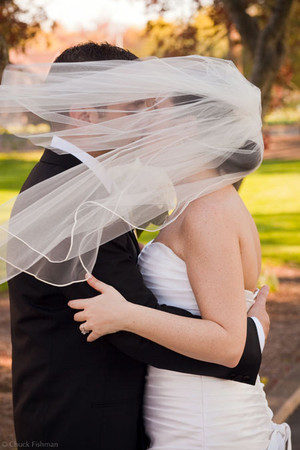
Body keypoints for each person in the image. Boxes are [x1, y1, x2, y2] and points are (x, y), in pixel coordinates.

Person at [0, 43, 269, 450]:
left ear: (191, 124)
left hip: (167, 419)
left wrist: (233, 341)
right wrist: (251, 341)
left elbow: (132, 313)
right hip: (80, 425)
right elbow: (131, 328)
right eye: (133, 108)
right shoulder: (70, 199)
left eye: (152, 109)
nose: (143, 122)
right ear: (83, 114)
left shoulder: (87, 188)